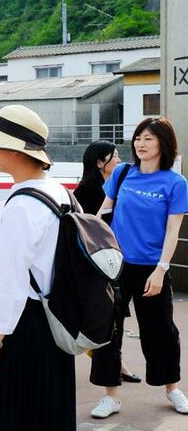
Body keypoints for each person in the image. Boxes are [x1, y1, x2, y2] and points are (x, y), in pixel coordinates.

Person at [0, 104, 76, 431]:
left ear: (17, 149)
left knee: (12, 413)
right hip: (58, 317)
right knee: (49, 411)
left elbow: (11, 285)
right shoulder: (58, 192)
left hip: (25, 326)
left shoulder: (21, 206)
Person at [88, 117, 188, 418]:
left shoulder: (175, 183)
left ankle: (172, 389)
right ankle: (110, 396)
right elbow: (102, 212)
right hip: (115, 265)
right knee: (108, 329)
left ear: (163, 143)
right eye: (138, 138)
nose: (140, 144)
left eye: (149, 138)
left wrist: (161, 269)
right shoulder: (121, 173)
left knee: (161, 332)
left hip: (151, 268)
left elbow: (173, 231)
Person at [74, 140, 140, 383]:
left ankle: (115, 365)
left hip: (111, 262)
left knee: (112, 318)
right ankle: (113, 368)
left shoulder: (114, 184)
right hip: (98, 265)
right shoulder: (87, 190)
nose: (120, 161)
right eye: (115, 156)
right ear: (100, 162)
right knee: (107, 319)